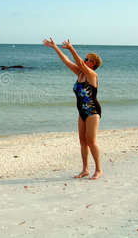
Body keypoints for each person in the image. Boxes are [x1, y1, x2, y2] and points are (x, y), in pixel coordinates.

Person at [42, 38, 103, 180]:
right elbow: (67, 61)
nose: (84, 60)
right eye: (85, 58)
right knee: (82, 141)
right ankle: (85, 169)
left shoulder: (92, 75)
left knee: (91, 141)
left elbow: (79, 63)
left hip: (92, 111)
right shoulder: (80, 73)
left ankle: (99, 170)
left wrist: (72, 49)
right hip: (81, 111)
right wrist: (55, 47)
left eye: (87, 59)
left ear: (93, 64)